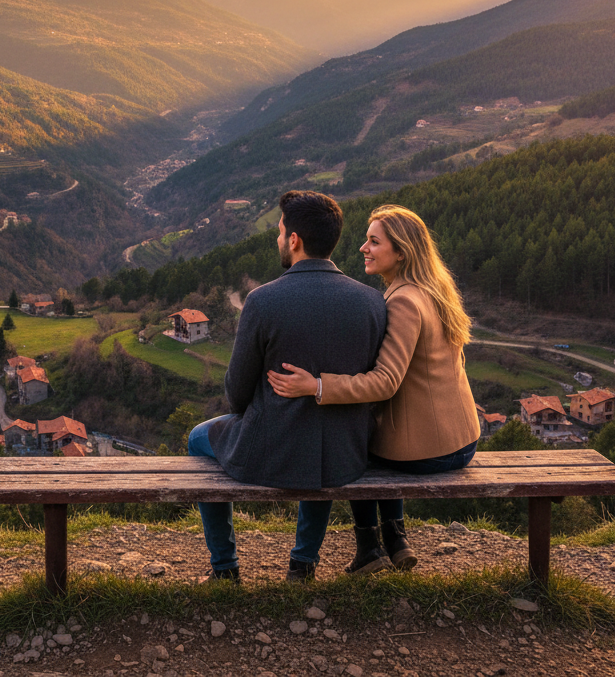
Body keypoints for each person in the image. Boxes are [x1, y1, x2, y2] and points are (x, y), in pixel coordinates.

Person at [267, 204, 481, 574]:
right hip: (462, 440)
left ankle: (370, 547)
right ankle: (395, 540)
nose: (363, 248)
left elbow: (385, 382)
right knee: (371, 437)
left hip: (431, 452)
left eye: (374, 242)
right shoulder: (435, 292)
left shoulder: (403, 301)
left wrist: (316, 386)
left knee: (350, 446)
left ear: (401, 252)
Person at [188, 190, 386, 582]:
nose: (278, 239)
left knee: (198, 437)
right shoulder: (372, 302)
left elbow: (238, 395)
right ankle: (302, 565)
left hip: (274, 452)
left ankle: (225, 568)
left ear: (294, 239)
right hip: (346, 456)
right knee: (319, 440)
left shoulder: (263, 301)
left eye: (280, 232)